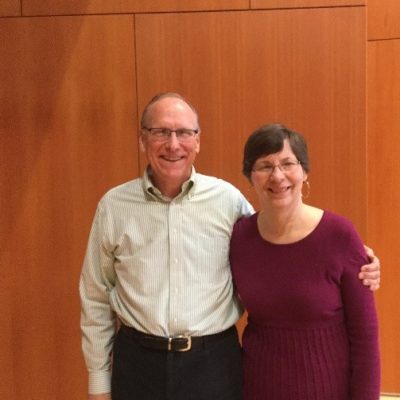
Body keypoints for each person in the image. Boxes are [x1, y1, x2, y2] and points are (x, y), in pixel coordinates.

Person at [80, 94, 380, 400]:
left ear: (197, 142)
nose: (173, 144)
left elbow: (282, 245)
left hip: (212, 365)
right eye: (160, 132)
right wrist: (99, 382)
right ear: (143, 139)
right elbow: (96, 296)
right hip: (138, 363)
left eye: (184, 132)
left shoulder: (227, 201)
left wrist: (361, 262)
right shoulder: (114, 207)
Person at [230, 123, 380, 400]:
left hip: (328, 391)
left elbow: (365, 338)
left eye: (288, 163)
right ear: (250, 176)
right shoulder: (239, 237)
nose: (277, 176)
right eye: (265, 166)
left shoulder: (339, 235)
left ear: (305, 171)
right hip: (257, 389)